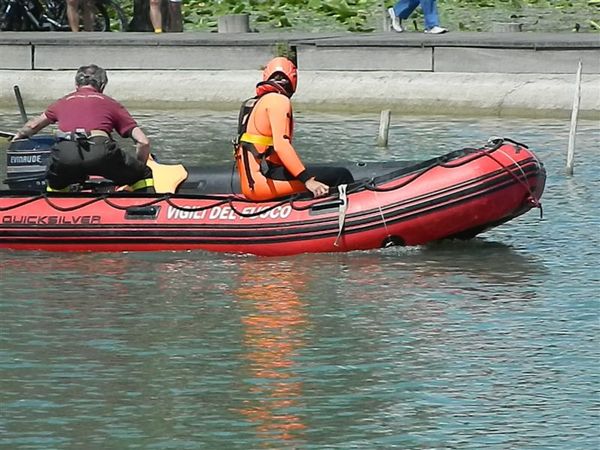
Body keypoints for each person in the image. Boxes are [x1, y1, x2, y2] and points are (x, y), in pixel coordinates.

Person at [12, 64, 154, 193]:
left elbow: (32, 126)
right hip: (101, 151)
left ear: (76, 84)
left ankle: (52, 208)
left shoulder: (62, 102)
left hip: (66, 153)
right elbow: (143, 142)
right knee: (144, 174)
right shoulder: (111, 103)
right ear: (102, 85)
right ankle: (147, 208)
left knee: (55, 182)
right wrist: (138, 167)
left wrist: (18, 136)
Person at [234, 56, 354, 201]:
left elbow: (273, 158)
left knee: (314, 175)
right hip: (261, 185)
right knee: (341, 175)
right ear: (293, 79)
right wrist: (307, 180)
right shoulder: (279, 101)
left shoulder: (253, 103)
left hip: (252, 183)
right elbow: (281, 146)